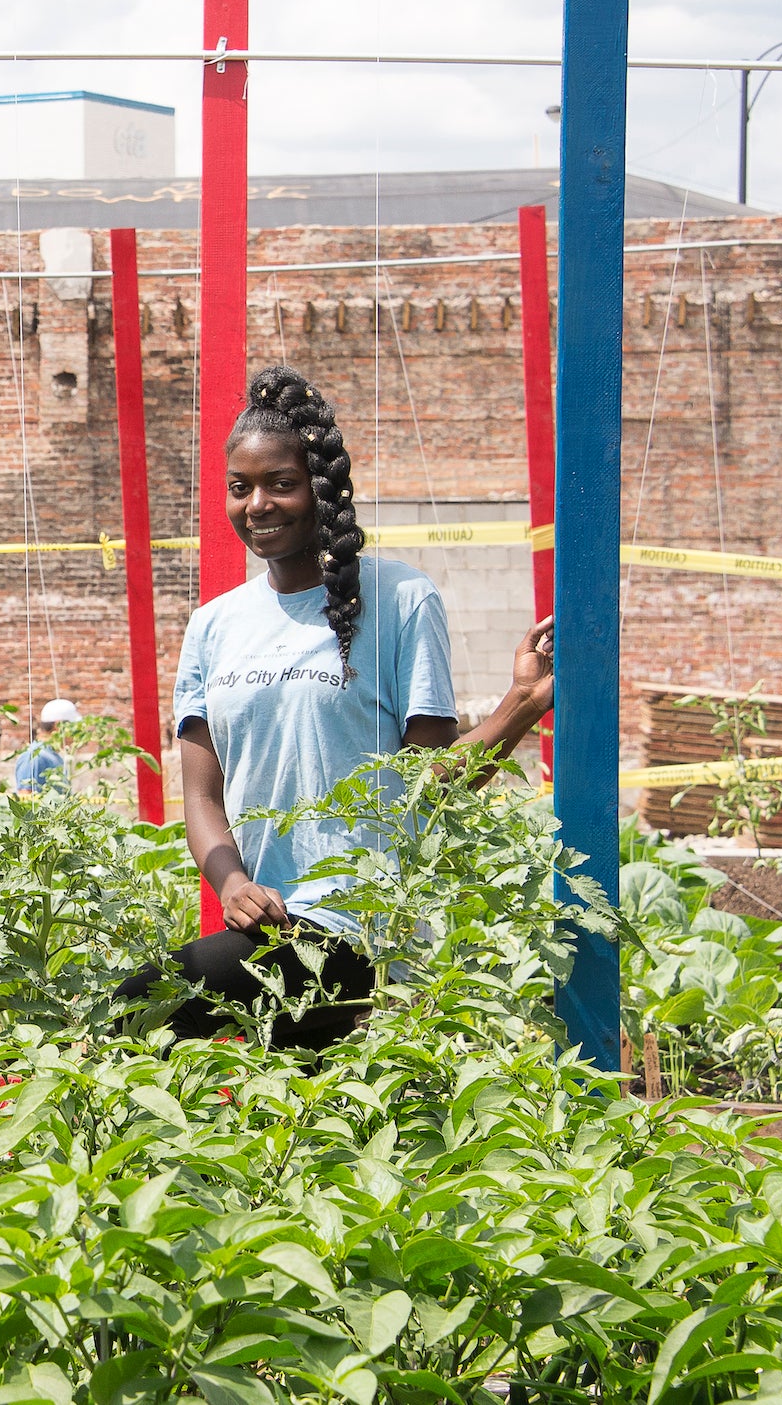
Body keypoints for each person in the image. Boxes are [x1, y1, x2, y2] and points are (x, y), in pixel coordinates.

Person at [117, 364, 554, 1049]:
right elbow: (201, 798)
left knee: (137, 1004)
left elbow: (429, 787)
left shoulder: (402, 600)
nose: (257, 503)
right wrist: (231, 881)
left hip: (365, 928)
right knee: (300, 1127)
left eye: (279, 484)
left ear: (320, 488)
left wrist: (521, 704)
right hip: (268, 927)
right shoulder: (213, 624)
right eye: (240, 488)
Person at [11, 697, 82, 792]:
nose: (78, 732)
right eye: (74, 727)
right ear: (58, 726)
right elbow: (25, 797)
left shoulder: (52, 755)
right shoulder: (36, 756)